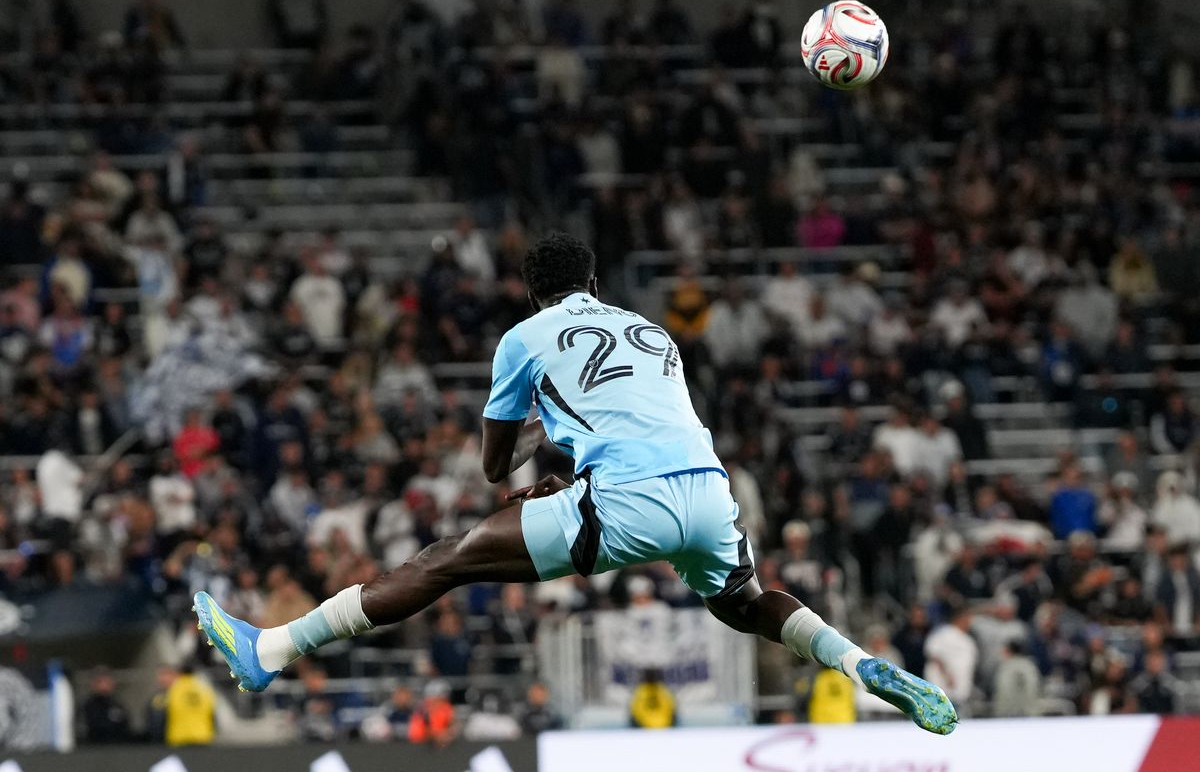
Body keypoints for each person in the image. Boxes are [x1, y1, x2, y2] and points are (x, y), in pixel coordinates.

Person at [194, 233, 957, 735]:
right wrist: (564, 448)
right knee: (747, 603)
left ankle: (276, 650)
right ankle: (860, 664)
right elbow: (622, 413)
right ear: (594, 281)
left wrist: (536, 442)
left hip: (623, 500)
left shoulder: (524, 338)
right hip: (705, 489)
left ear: (532, 293)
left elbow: (498, 466)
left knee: (443, 560)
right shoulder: (649, 328)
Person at [165, 663, 215, 747]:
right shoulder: (204, 689)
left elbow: (167, 710)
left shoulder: (175, 689)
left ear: (180, 673)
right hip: (202, 735)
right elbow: (211, 710)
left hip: (180, 736)